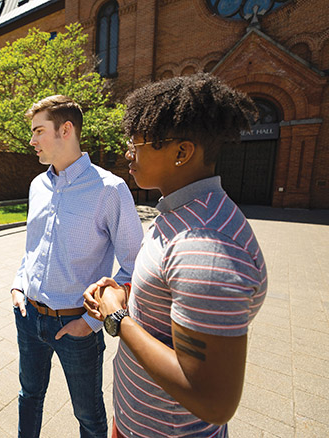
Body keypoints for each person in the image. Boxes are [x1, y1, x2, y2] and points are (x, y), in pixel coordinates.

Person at [83, 73, 267, 437]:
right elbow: (172, 301)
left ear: (182, 152)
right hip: (139, 421)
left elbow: (213, 400)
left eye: (138, 144)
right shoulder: (181, 213)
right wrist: (128, 295)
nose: (127, 152)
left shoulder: (207, 247)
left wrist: (117, 317)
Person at [11, 95, 144, 438]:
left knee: (89, 416)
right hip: (29, 317)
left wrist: (90, 322)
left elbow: (133, 266)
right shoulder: (36, 185)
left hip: (77, 327)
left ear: (66, 130)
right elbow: (33, 247)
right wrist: (17, 285)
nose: (32, 140)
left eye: (38, 131)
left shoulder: (110, 189)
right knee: (29, 397)